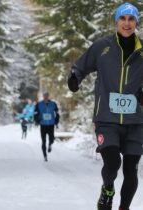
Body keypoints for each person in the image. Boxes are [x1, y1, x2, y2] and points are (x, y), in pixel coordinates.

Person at [67, 3, 143, 210]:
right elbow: (81, 66)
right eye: (123, 19)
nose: (127, 24)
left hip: (135, 121)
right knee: (112, 164)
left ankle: (123, 208)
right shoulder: (103, 46)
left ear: (137, 22)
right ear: (116, 21)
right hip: (107, 118)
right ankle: (107, 189)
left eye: (131, 19)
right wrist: (74, 77)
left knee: (131, 170)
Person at [34, 92, 59, 161]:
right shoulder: (39, 104)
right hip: (43, 125)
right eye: (44, 96)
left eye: (47, 96)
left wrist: (56, 122)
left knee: (52, 138)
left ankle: (50, 145)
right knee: (43, 141)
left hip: (51, 124)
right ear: (43, 96)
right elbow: (35, 113)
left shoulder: (53, 104)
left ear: (48, 96)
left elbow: (57, 113)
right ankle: (45, 155)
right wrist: (37, 121)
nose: (45, 97)